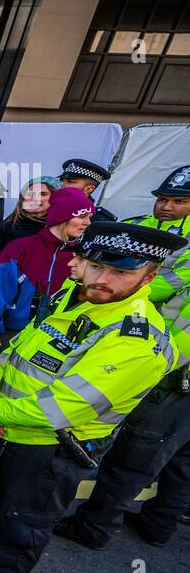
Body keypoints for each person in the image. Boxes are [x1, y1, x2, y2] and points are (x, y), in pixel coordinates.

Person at [0, 222, 184, 573]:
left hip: (49, 447)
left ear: (149, 276)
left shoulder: (136, 338)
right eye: (96, 266)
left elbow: (62, 407)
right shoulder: (75, 295)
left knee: (21, 523)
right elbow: (20, 353)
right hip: (9, 429)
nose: (102, 279)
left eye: (121, 272)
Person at [53, 166, 190, 550]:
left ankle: (95, 527)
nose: (166, 206)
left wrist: (151, 364)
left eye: (179, 201)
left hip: (168, 371)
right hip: (161, 360)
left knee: (136, 454)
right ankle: (158, 524)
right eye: (164, 198)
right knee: (177, 457)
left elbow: (154, 287)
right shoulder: (142, 226)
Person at [0, 188, 96, 449]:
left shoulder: (79, 257)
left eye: (89, 217)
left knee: (14, 384)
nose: (87, 223)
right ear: (62, 217)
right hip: (3, 330)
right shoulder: (22, 248)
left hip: (41, 336)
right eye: (82, 216)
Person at [0, 176, 58, 246]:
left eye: (43, 194)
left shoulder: (60, 228)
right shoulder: (5, 227)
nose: (35, 199)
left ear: (56, 197)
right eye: (29, 194)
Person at [59, 157, 117, 222]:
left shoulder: (98, 219)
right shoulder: (50, 209)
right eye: (62, 181)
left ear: (89, 189)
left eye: (70, 181)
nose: (63, 185)